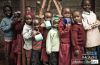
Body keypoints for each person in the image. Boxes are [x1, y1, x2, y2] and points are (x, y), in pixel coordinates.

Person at [81, 0, 100, 64]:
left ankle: (94, 63)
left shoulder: (93, 14)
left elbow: (96, 21)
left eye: (88, 5)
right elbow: (85, 27)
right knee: (90, 53)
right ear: (82, 6)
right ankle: (89, 63)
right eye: (85, 5)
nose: (87, 6)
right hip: (89, 37)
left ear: (91, 6)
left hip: (96, 36)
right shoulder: (83, 16)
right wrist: (94, 25)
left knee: (95, 53)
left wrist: (98, 22)